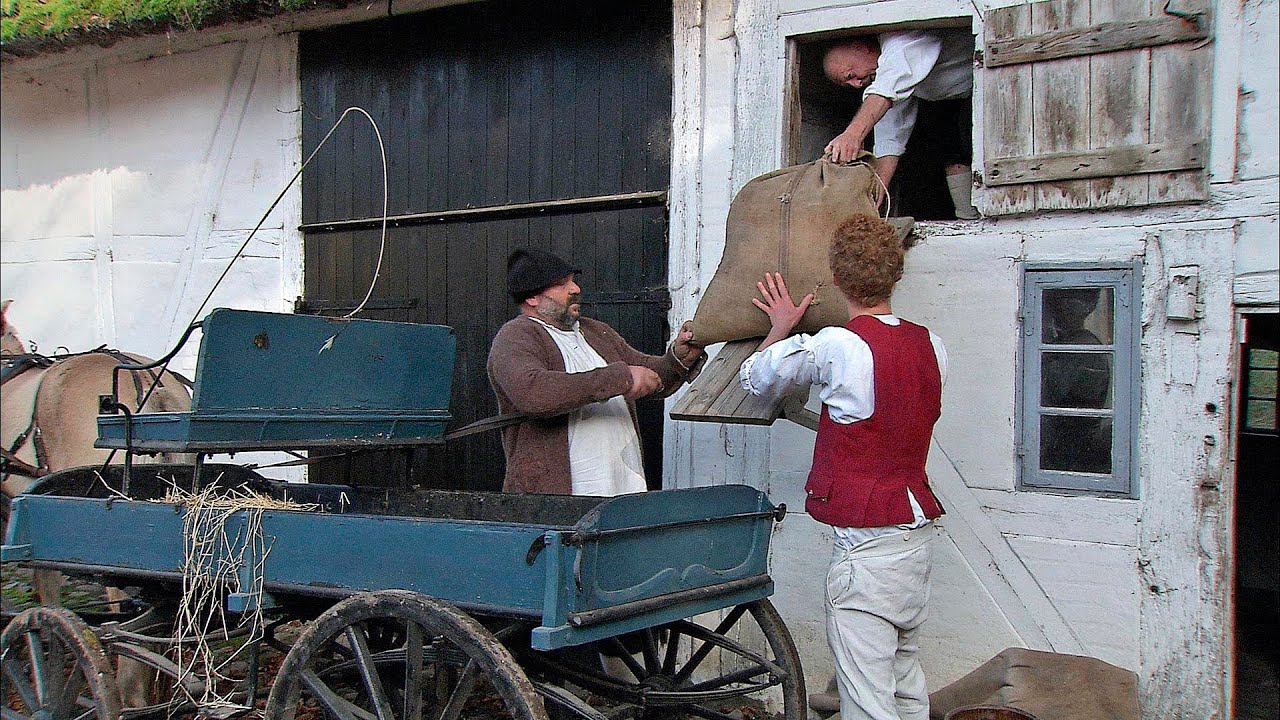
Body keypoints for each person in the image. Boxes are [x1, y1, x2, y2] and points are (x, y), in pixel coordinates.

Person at [739, 214, 948, 720]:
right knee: (904, 686)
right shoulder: (931, 345)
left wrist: (781, 328)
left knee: (867, 701)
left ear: (835, 279)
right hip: (914, 536)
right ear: (895, 276)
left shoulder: (838, 344)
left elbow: (755, 378)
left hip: (868, 546)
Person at [487, 247, 704, 496]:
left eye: (573, 281)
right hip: (556, 496)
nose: (575, 289)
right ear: (532, 298)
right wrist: (620, 378)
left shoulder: (594, 331)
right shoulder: (516, 336)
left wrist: (678, 359)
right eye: (561, 284)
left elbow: (647, 374)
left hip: (622, 488)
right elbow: (533, 393)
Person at [822, 29, 977, 219]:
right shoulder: (883, 76)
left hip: (994, 81)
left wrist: (852, 135)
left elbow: (887, 88)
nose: (856, 84)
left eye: (851, 74)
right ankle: (968, 217)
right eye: (848, 84)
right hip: (952, 99)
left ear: (860, 47)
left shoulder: (900, 41)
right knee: (948, 149)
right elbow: (890, 139)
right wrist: (873, 197)